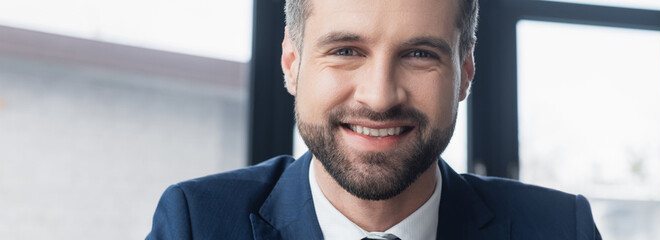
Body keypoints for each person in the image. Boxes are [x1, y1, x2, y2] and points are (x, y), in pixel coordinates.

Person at [147, 0, 602, 239]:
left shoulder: (561, 229)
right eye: (346, 51)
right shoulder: (197, 224)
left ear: (465, 74)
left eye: (419, 54)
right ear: (291, 62)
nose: (380, 97)